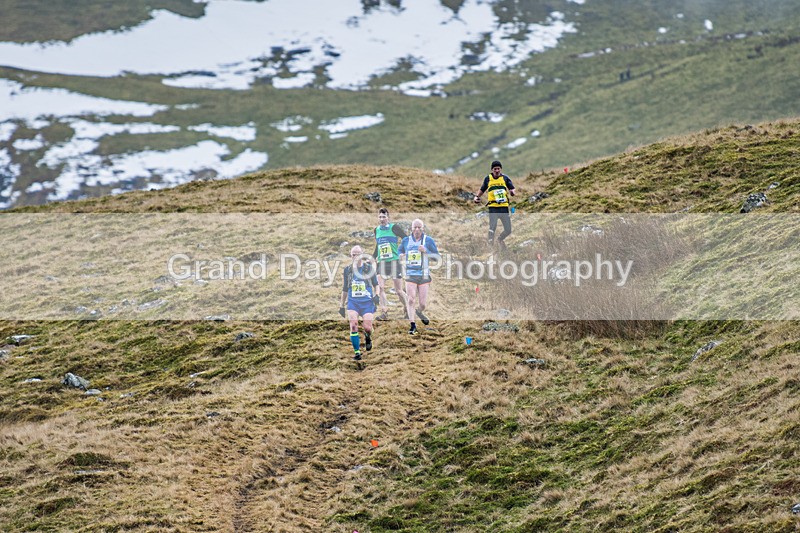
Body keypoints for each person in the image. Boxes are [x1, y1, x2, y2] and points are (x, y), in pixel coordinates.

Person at [339, 245, 381, 360]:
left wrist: (377, 295)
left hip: (367, 303)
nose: (356, 256)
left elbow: (376, 284)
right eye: (354, 255)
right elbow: (345, 288)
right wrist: (341, 306)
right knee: (353, 325)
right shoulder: (347, 270)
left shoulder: (369, 269)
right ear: (351, 256)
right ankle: (357, 352)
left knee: (367, 327)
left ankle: (368, 337)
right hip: (353, 302)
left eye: (358, 254)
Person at [398, 219, 440, 335]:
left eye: (419, 227)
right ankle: (412, 325)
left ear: (423, 229)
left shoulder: (428, 240)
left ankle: (419, 311)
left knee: (422, 304)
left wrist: (426, 250)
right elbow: (399, 250)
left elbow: (437, 257)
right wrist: (400, 255)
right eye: (415, 227)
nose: (417, 230)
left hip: (424, 275)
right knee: (411, 299)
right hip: (410, 274)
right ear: (411, 228)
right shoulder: (406, 241)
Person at [372, 208, 408, 321]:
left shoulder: (394, 228)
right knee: (380, 287)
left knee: (399, 291)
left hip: (394, 262)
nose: (382, 219)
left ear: (388, 217)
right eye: (380, 217)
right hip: (382, 263)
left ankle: (408, 307)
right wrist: (373, 257)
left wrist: (402, 251)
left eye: (384, 217)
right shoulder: (376, 230)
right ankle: (384, 312)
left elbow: (405, 238)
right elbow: (378, 246)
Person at [474, 160, 516, 250]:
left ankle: (500, 239)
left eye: (498, 169)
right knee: (492, 227)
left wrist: (512, 192)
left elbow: (512, 188)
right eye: (495, 169)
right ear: (492, 170)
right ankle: (490, 247)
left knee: (508, 230)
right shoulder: (488, 178)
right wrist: (477, 197)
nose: (497, 170)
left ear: (501, 169)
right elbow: (482, 189)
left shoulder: (505, 178)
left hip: (504, 207)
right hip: (493, 208)